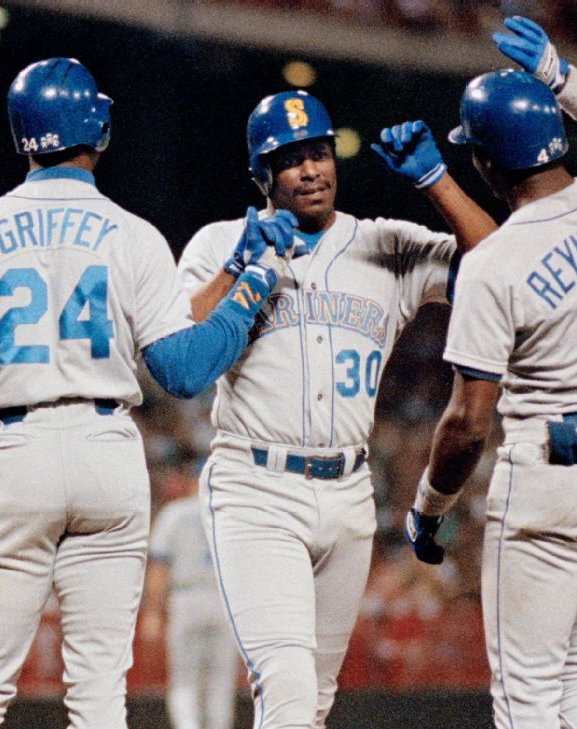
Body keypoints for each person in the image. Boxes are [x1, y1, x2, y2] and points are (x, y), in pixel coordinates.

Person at [0, 57, 296, 729]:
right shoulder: (133, 233)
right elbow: (181, 368)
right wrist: (253, 287)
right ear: (100, 127)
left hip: (17, 448)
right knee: (97, 694)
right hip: (107, 450)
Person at [177, 89, 497, 727]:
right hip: (256, 488)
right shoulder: (220, 242)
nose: (311, 169)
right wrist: (241, 263)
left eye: (319, 153)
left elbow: (502, 265)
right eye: (290, 159)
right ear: (260, 174)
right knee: (289, 691)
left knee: (314, 703)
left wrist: (438, 183)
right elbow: (177, 349)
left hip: (349, 492)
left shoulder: (386, 244)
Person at [403, 17, 577, 729]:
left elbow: (466, 424)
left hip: (553, 472)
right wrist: (561, 73)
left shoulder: (493, 264)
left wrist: (428, 509)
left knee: (525, 701)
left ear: (486, 165)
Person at [140, 471, 238, 729]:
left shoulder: (175, 513)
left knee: (184, 681)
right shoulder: (231, 513)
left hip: (186, 598)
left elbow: (159, 568)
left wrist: (152, 612)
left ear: (192, 481)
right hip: (225, 600)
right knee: (221, 681)